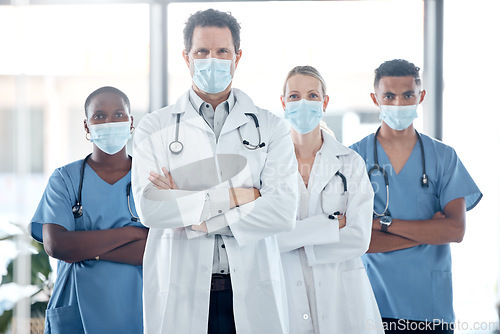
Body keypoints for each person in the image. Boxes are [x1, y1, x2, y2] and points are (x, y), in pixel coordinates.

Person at [132, 9, 298, 334]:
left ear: (238, 56)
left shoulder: (270, 127)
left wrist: (192, 211)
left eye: (222, 51)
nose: (213, 60)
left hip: (250, 289)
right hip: (182, 290)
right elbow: (150, 208)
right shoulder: (155, 126)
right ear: (186, 57)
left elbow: (282, 211)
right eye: (202, 51)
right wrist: (242, 195)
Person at [350, 59, 482, 333]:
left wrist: (383, 224)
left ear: (421, 96)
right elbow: (356, 239)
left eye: (408, 95)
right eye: (389, 95)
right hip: (372, 306)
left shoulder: (444, 157)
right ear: (375, 99)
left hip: (430, 310)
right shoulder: (354, 159)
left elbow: (455, 230)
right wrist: (428, 232)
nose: (399, 103)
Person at [29, 86, 147, 334]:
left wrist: (85, 250)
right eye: (99, 116)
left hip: (136, 309)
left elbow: (156, 249)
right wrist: (132, 233)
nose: (109, 122)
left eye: (118, 114)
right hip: (75, 310)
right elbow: (57, 246)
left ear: (130, 122)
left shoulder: (149, 179)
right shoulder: (65, 178)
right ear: (86, 126)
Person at [276, 65, 384, 334]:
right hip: (287, 291)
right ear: (283, 103)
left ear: (324, 103)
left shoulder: (350, 163)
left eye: (313, 95)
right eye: (294, 96)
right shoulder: (268, 164)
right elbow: (266, 237)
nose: (304, 102)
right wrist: (330, 226)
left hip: (342, 295)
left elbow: (359, 237)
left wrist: (297, 241)